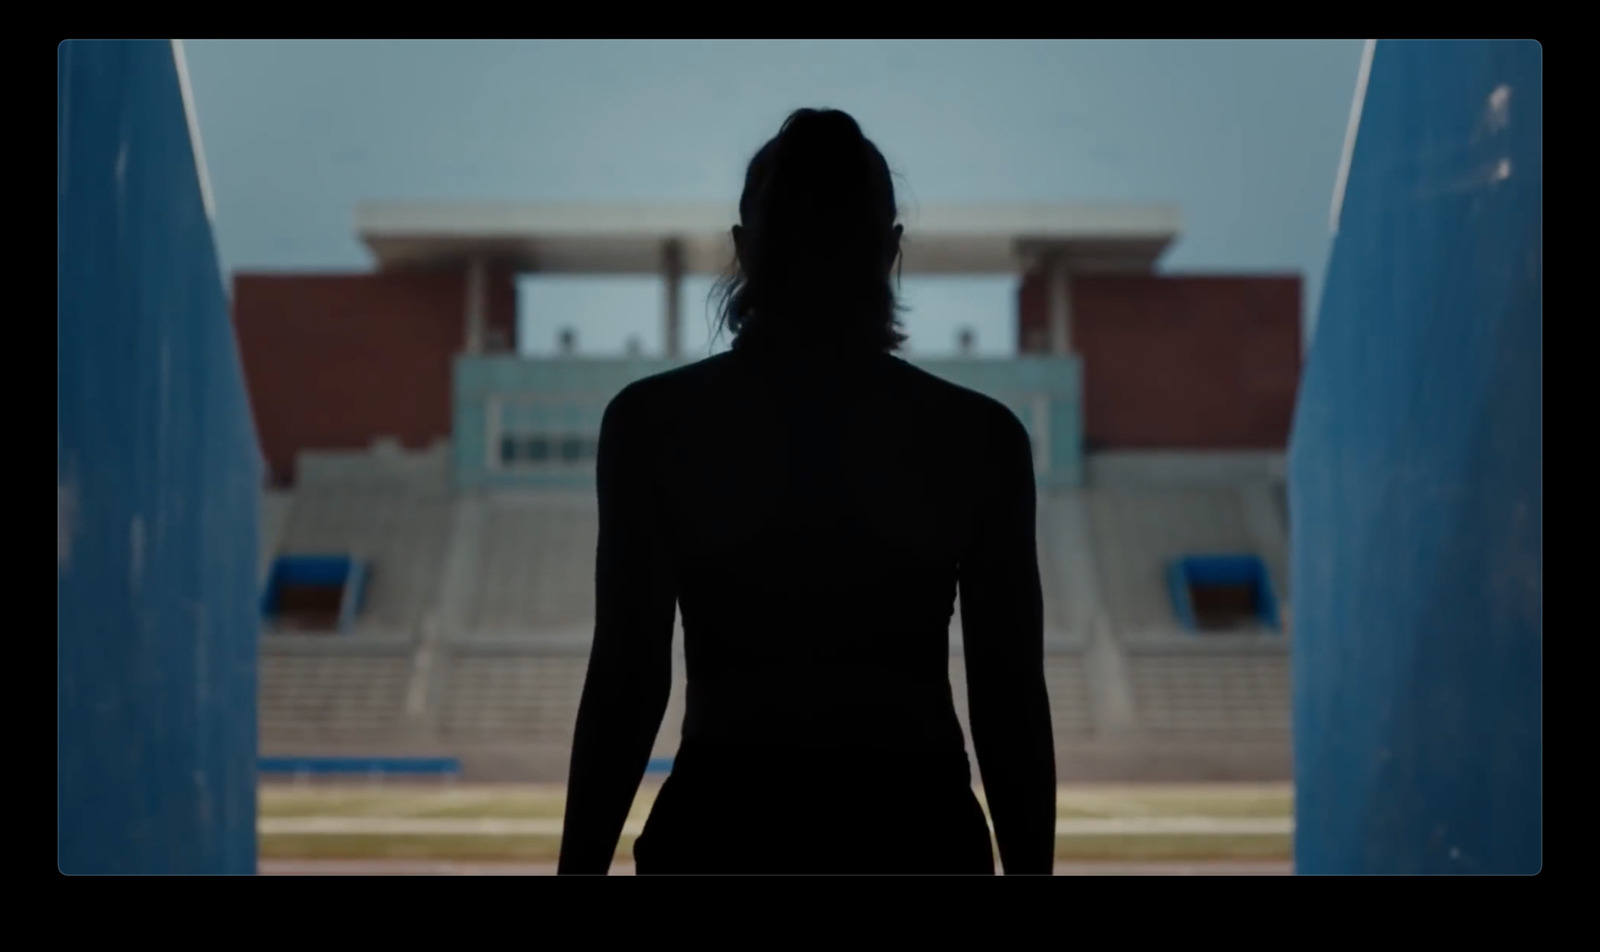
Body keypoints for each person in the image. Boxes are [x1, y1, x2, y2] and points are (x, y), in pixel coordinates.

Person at [557, 108, 1056, 875]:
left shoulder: (655, 426)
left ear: (744, 251)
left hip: (721, 835)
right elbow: (1009, 700)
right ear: (889, 253)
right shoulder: (977, 439)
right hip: (919, 839)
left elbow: (628, 680)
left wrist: (576, 869)